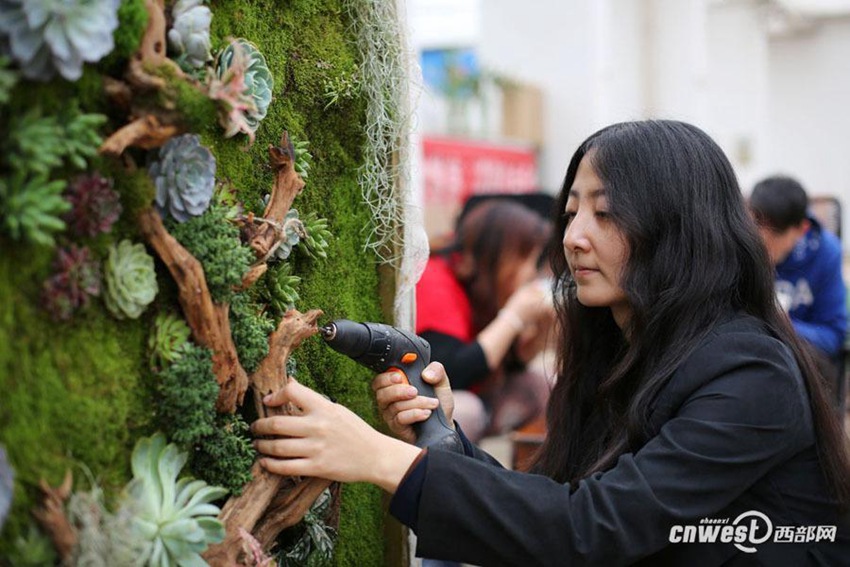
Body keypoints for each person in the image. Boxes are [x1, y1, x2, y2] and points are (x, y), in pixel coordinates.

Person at [252, 120, 850, 565]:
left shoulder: (750, 374)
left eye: (606, 213)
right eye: (571, 212)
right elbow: (561, 503)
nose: (574, 238)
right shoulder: (620, 352)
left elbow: (591, 531)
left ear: (681, 231)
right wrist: (441, 441)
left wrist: (379, 457)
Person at [416, 198, 556, 442]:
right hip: (427, 404)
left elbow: (505, 370)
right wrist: (513, 316)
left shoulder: (485, 291)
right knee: (467, 409)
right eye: (527, 260)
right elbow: (451, 374)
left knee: (540, 384)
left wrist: (541, 335)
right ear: (499, 255)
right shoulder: (436, 278)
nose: (532, 273)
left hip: (477, 400)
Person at [748, 175, 848, 384]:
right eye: (756, 231)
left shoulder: (825, 253)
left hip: (800, 356)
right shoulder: (744, 245)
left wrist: (787, 324)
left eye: (773, 236)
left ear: (801, 229)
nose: (762, 244)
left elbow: (834, 334)